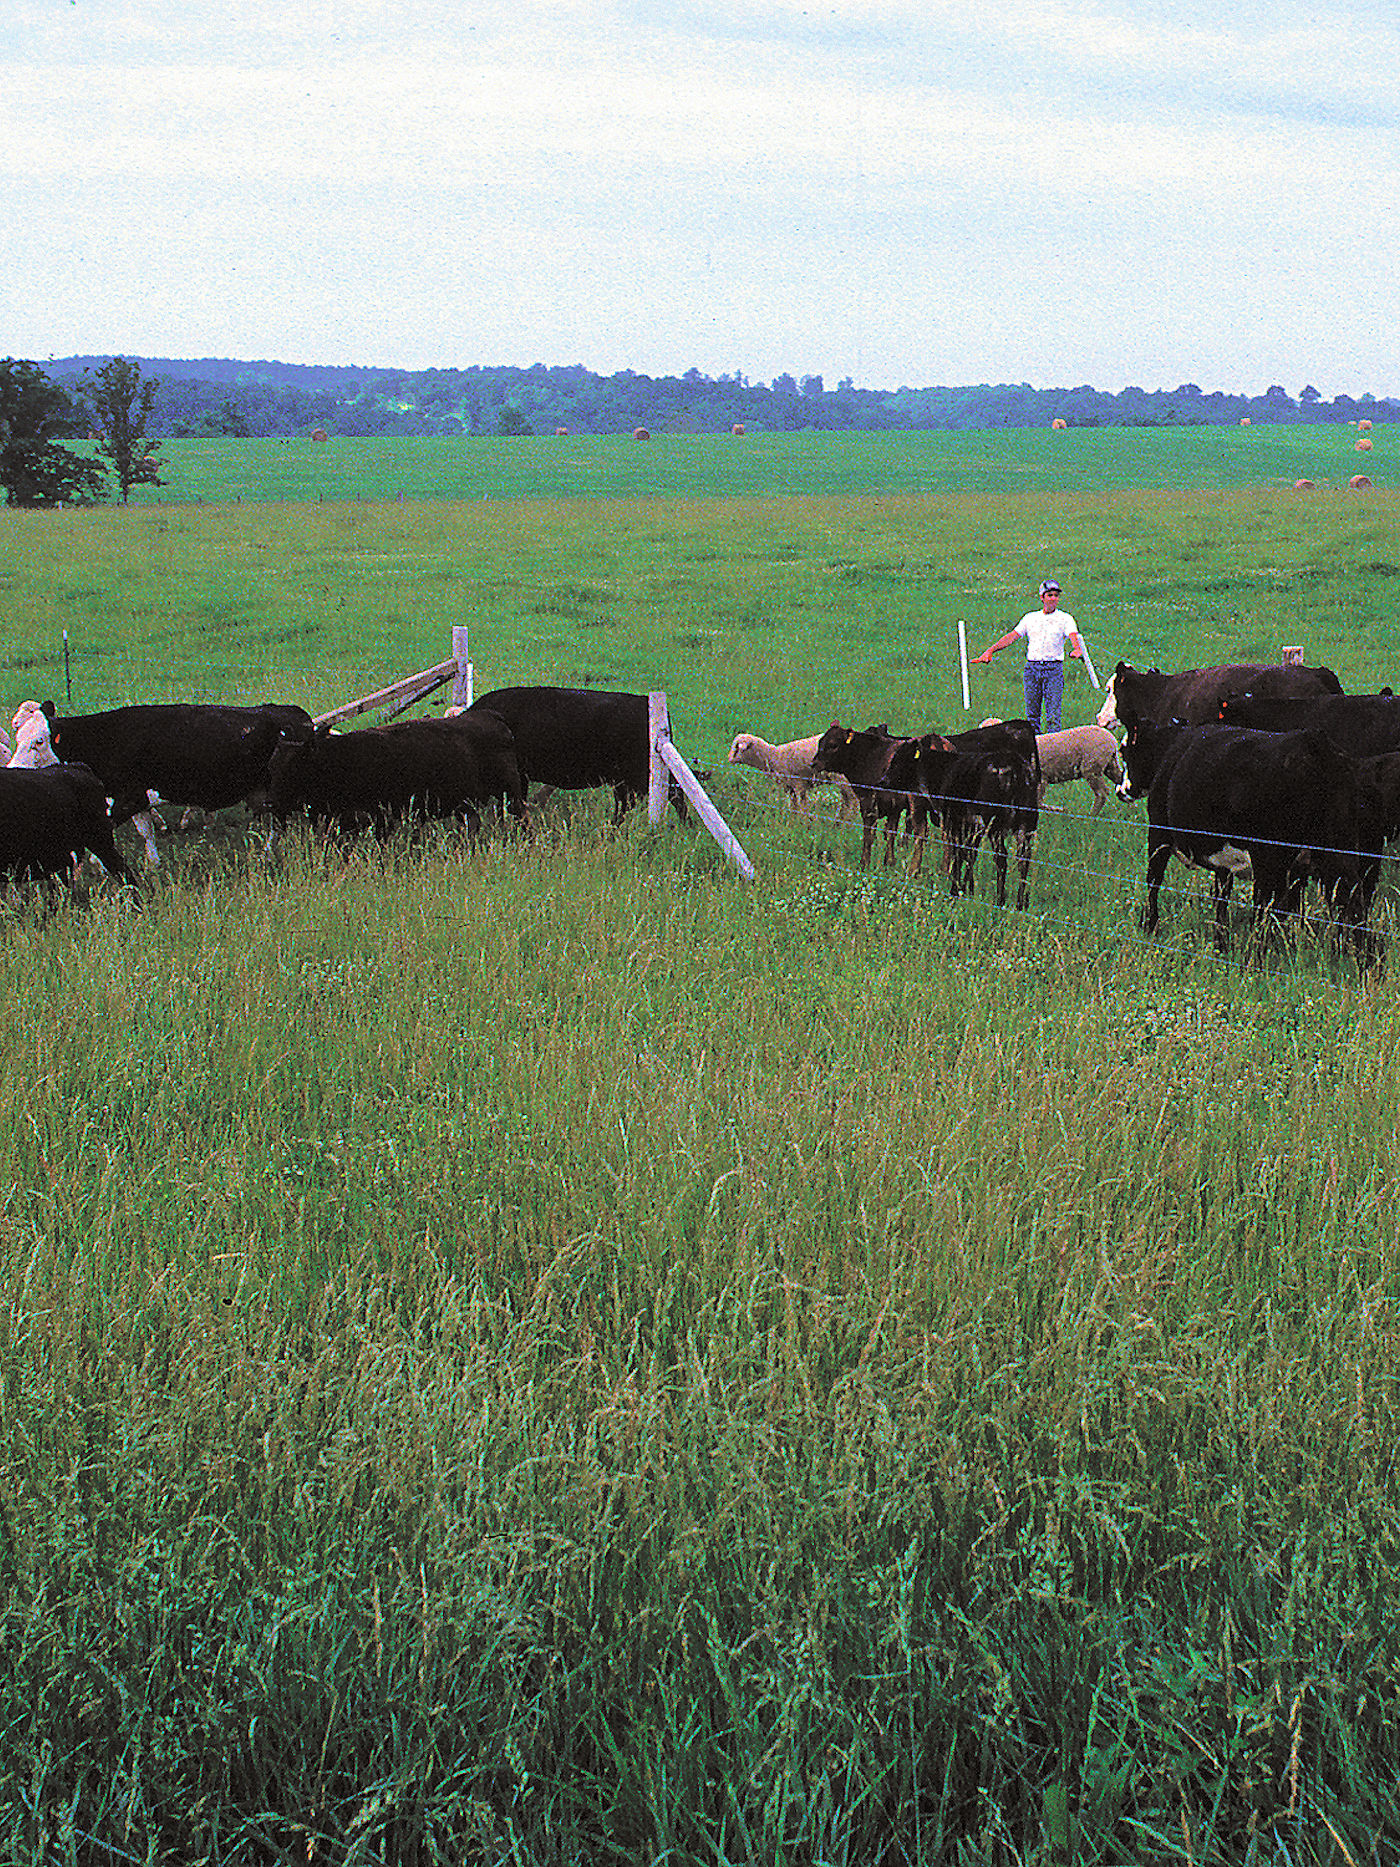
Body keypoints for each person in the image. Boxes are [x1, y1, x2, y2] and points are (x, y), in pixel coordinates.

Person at [973, 579, 1084, 732]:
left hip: (1053, 669)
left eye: (1056, 595)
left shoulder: (1065, 619)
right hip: (1032, 668)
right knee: (1032, 715)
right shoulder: (1030, 618)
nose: (1053, 599)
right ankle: (1035, 744)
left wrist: (1077, 649)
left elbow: (1073, 635)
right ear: (1042, 597)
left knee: (1053, 715)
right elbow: (1012, 636)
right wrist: (991, 650)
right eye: (1050, 595)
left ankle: (1053, 744)